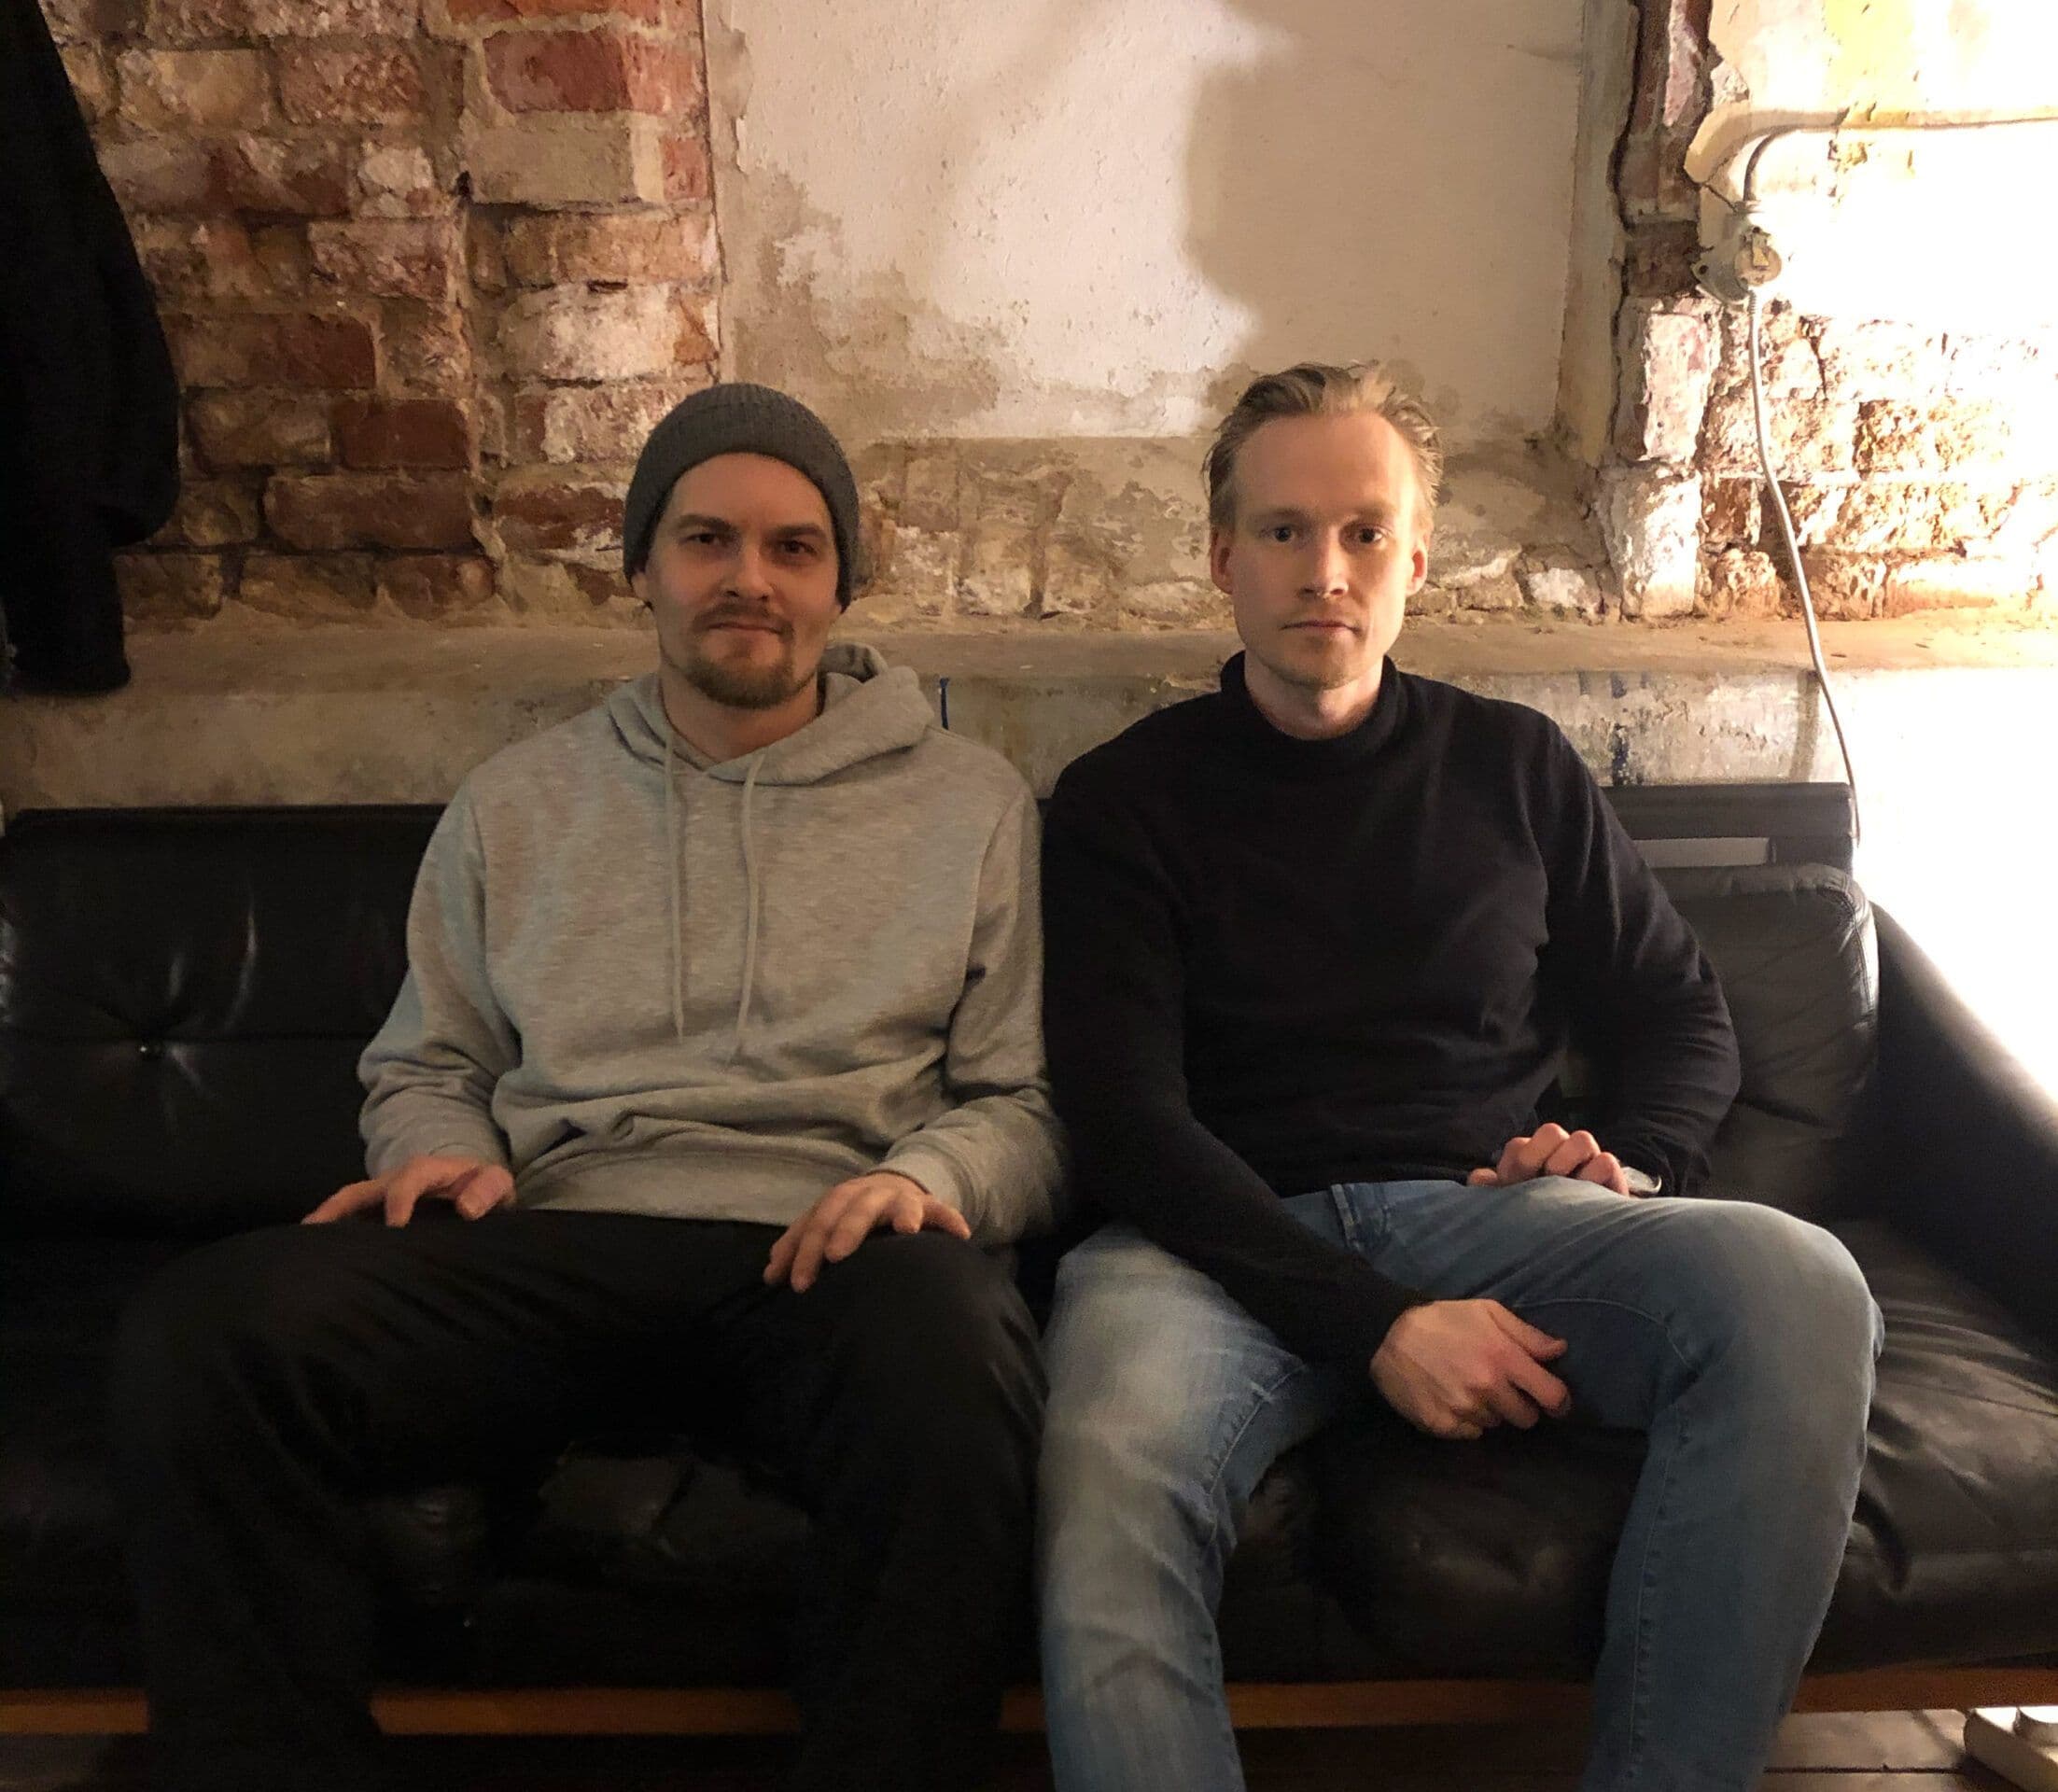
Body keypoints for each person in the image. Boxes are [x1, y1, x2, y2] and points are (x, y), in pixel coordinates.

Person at [109, 382, 1066, 1792]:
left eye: (794, 547)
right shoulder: (517, 800)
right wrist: (439, 1149)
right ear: (642, 570)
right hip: (554, 1243)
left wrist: (925, 1182)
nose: (749, 578)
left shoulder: (969, 804)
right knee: (207, 1331)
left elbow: (1025, 1105)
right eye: (707, 539)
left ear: (841, 584)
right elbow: (430, 1061)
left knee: (960, 1359)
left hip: (828, 1252)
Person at [1035, 361, 1883, 1792]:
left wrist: (1628, 1160)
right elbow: (1125, 1121)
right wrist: (1377, 1324)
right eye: (1284, 530)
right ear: (1222, 557)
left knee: (1799, 1285)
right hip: (1204, 1249)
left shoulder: (1514, 766)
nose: (1325, 569)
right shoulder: (1123, 798)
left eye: (1363, 531)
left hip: (1489, 1216)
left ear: (1414, 561)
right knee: (1109, 1469)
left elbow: (1681, 1011)